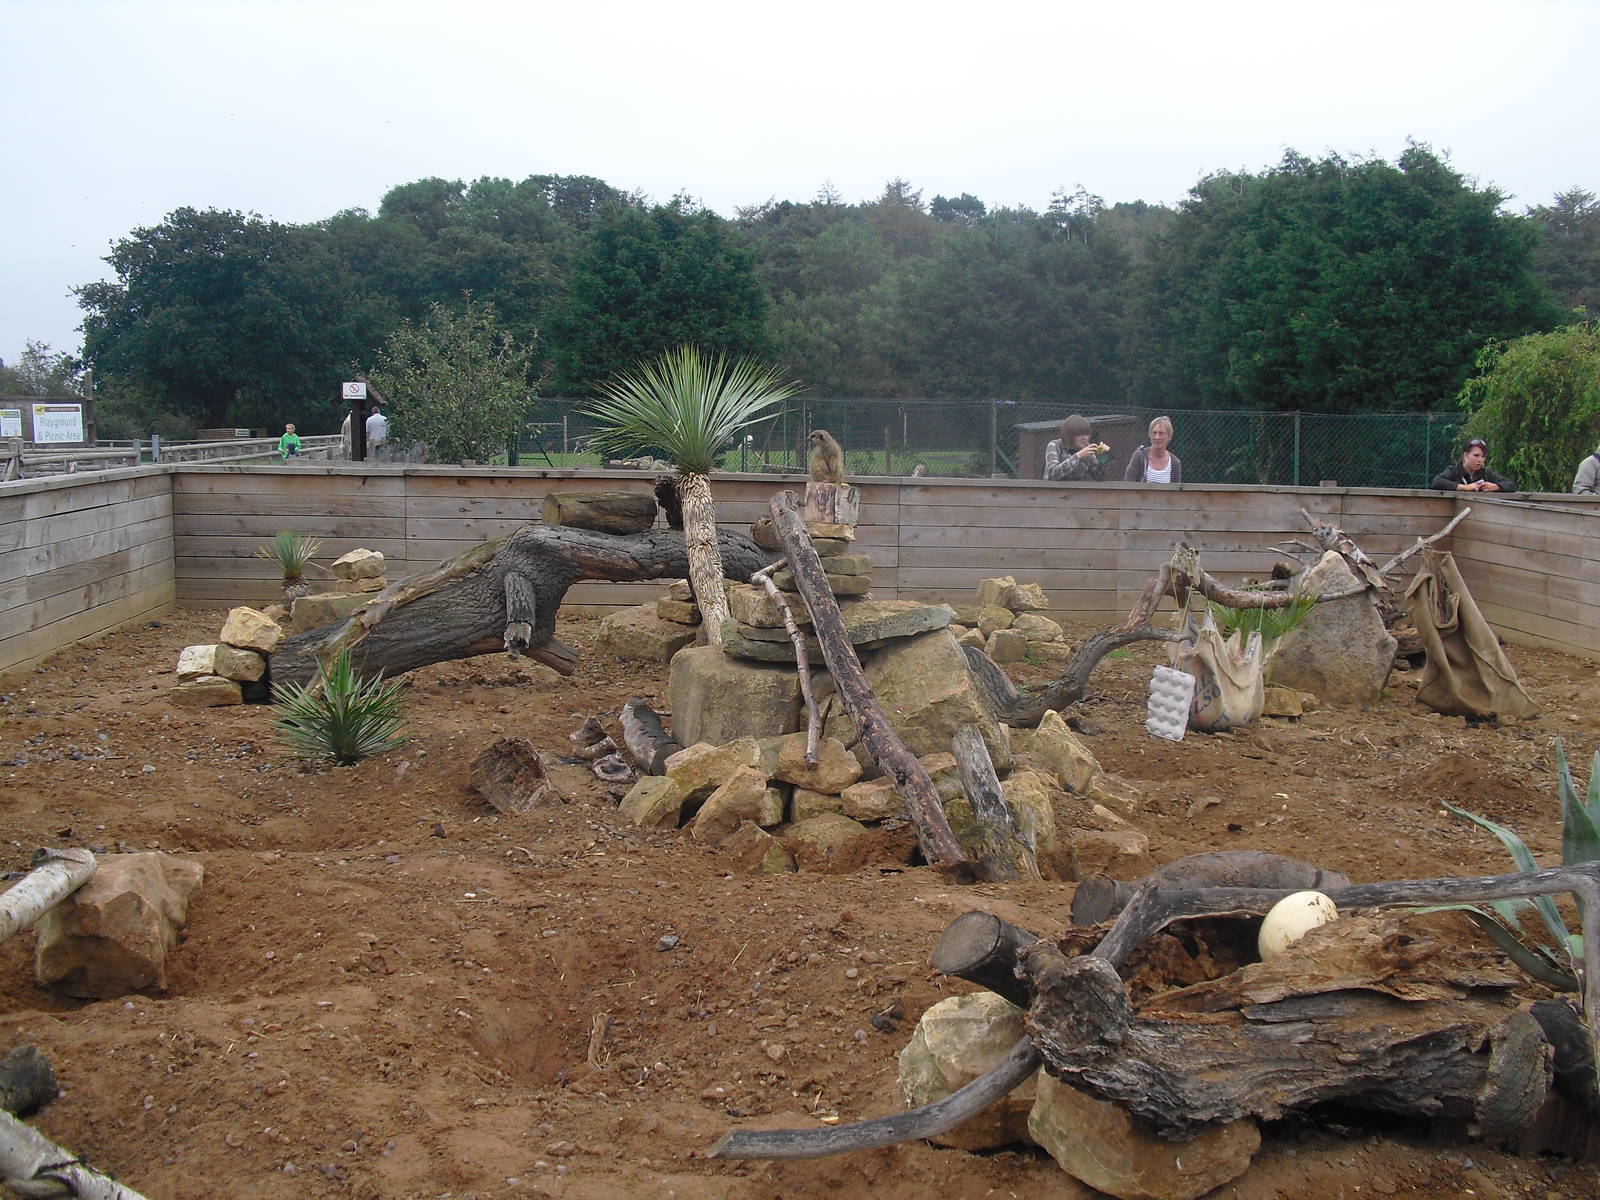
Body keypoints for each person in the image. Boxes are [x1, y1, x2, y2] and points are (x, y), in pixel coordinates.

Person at [1430, 437, 1514, 493]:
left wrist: (1496, 486)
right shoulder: (1454, 471)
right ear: (1465, 455)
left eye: (1483, 456)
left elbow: (1511, 484)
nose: (1480, 460)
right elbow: (1437, 482)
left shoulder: (1486, 473)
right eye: (1476, 455)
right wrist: (1465, 487)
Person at [1043, 414, 1107, 482]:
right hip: (1052, 490)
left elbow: (1099, 476)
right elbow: (1053, 475)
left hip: (1076, 491)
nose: (1085, 438)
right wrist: (1077, 456)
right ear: (1069, 435)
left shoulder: (1087, 448)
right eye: (1079, 434)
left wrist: (1103, 456)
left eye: (1087, 434)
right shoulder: (1055, 445)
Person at [1124, 415, 1182, 483]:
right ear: (1149, 435)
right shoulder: (1139, 457)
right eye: (1154, 433)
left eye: (1161, 433)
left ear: (1169, 436)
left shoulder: (1174, 463)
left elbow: (1176, 491)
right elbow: (1127, 486)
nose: (1157, 437)